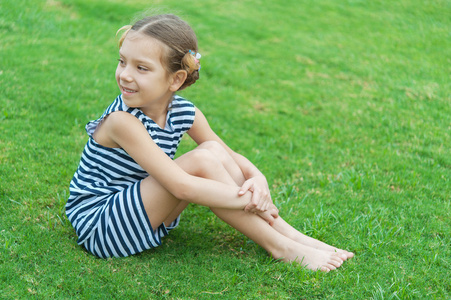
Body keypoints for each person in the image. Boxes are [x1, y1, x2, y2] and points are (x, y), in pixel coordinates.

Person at [66, 14, 354, 272]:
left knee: (212, 151)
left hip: (143, 214)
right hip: (101, 226)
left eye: (141, 68)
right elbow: (182, 186)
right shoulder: (121, 122)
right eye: (122, 61)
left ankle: (288, 234)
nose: (125, 74)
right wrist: (253, 200)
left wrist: (258, 179)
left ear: (176, 79)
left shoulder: (183, 112)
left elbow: (228, 154)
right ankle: (281, 246)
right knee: (201, 161)